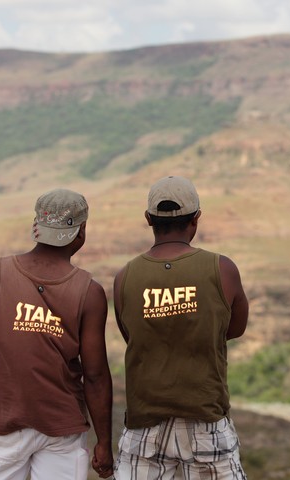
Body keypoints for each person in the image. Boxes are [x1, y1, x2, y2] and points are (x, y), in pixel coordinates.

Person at [0, 188, 115, 480]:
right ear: (81, 232)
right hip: (63, 429)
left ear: (37, 227)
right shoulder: (89, 292)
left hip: (5, 424)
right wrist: (104, 443)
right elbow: (95, 375)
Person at [112, 175, 249, 479]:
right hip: (205, 422)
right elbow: (234, 328)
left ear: (148, 219)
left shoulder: (125, 277)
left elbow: (131, 335)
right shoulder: (222, 269)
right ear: (196, 220)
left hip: (144, 427)